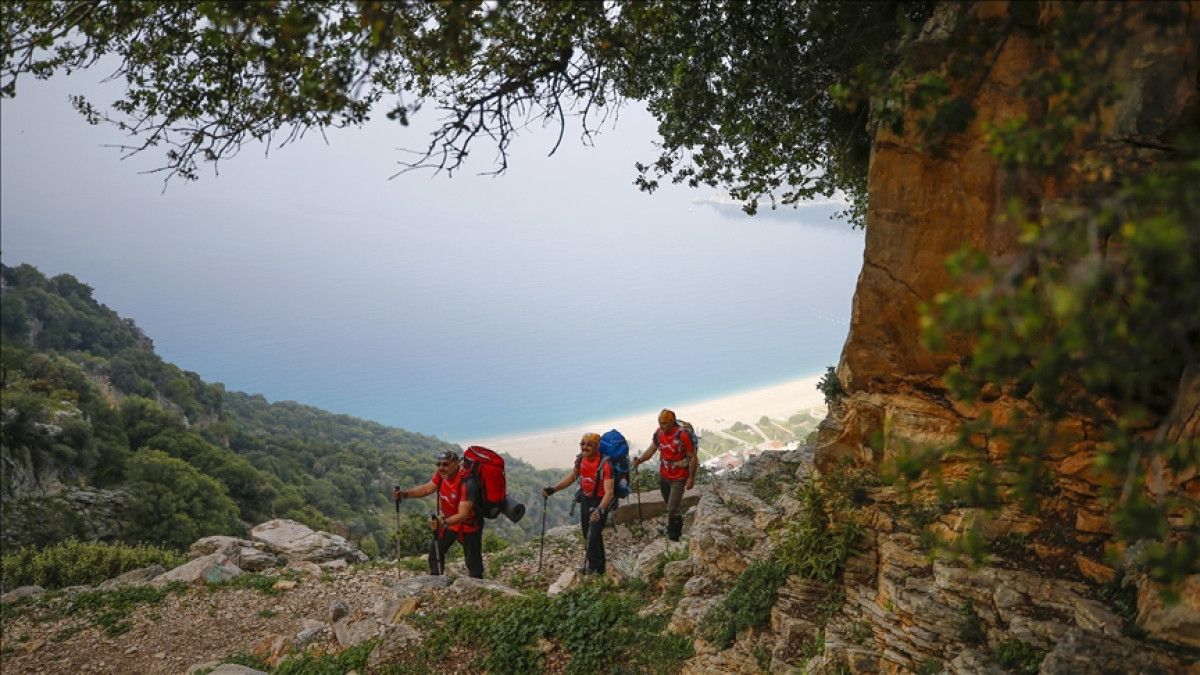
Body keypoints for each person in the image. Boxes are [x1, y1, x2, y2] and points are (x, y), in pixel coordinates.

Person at [393, 450, 485, 578]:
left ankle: (477, 585)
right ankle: (436, 581)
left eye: (445, 464)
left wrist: (442, 522)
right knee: (435, 550)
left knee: (472, 559)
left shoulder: (467, 482)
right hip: (449, 521)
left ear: (455, 464)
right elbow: (427, 488)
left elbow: (463, 514)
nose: (441, 468)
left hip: (469, 524)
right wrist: (405, 494)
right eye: (439, 464)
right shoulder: (442, 475)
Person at [542, 433, 616, 574]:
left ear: (597, 446)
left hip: (600, 502)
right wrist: (553, 489)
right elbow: (571, 478)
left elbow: (609, 493)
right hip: (585, 500)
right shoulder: (580, 460)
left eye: (589, 444)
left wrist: (600, 510)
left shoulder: (606, 465)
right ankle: (599, 568)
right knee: (588, 534)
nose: (584, 447)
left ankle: (593, 570)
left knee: (592, 536)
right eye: (582, 444)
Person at [632, 409, 696, 541]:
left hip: (679, 477)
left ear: (672, 422)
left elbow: (693, 457)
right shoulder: (659, 433)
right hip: (664, 475)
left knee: (672, 507)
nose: (662, 426)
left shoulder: (682, 435)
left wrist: (691, 478)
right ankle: (674, 525)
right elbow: (651, 450)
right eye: (660, 423)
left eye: (665, 423)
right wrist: (640, 460)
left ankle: (674, 536)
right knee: (670, 505)